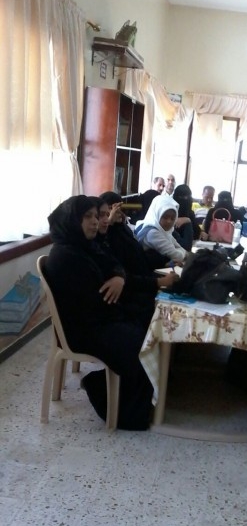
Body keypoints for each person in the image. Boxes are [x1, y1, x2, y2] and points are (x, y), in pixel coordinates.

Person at [45, 195, 156, 430]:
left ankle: (144, 395)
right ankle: (111, 400)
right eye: (88, 217)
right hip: (83, 330)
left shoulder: (85, 247)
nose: (95, 222)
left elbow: (113, 264)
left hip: (98, 319)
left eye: (96, 216)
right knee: (141, 341)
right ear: (72, 220)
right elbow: (93, 304)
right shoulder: (66, 256)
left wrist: (119, 278)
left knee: (146, 320)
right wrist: (123, 309)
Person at [134, 194, 188, 265]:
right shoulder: (152, 232)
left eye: (172, 218)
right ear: (157, 214)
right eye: (165, 217)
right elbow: (177, 256)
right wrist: (184, 253)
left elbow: (179, 247)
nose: (169, 221)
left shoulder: (162, 230)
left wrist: (181, 252)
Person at [172, 183, 200, 251]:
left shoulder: (190, 213)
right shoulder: (171, 212)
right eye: (182, 197)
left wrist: (188, 220)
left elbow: (196, 233)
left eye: (187, 197)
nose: (185, 199)